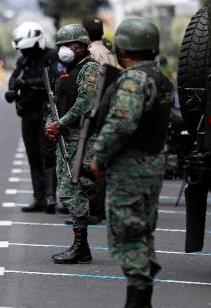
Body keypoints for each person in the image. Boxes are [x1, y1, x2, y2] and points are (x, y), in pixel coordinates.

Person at [90, 18, 173, 307]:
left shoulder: (134, 80)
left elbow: (122, 123)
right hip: (151, 166)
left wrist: (100, 157)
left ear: (125, 49)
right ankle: (141, 298)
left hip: (130, 170)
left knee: (128, 236)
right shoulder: (160, 79)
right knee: (142, 233)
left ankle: (137, 300)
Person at [45, 24, 101, 264]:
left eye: (66, 46)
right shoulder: (66, 70)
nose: (62, 50)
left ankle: (81, 247)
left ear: (79, 46)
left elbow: (85, 103)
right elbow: (55, 103)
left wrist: (60, 123)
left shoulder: (90, 69)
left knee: (73, 190)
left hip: (81, 136)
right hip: (65, 137)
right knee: (67, 191)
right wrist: (50, 124)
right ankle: (81, 245)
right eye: (60, 46)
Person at [5, 21, 59, 214]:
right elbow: (14, 79)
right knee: (33, 156)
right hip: (27, 113)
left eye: (28, 48)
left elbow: (53, 81)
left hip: (46, 112)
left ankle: (52, 197)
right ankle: (39, 198)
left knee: (49, 155)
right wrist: (12, 90)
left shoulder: (52, 56)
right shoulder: (23, 60)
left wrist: (25, 83)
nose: (25, 52)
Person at [79, 15, 119, 225]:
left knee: (91, 160)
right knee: (103, 159)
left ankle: (94, 210)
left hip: (96, 111)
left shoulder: (91, 54)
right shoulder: (109, 53)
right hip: (110, 109)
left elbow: (91, 87)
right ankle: (100, 209)